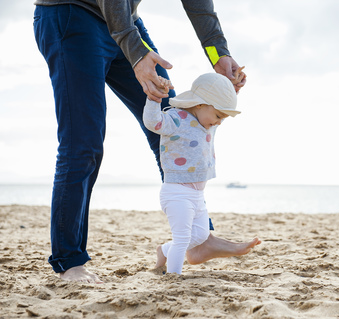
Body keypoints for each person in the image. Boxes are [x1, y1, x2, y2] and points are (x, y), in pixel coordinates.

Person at [33, 0, 258, 283]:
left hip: (126, 22)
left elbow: (198, 4)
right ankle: (70, 260)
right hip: (73, 14)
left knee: (175, 123)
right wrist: (136, 52)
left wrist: (218, 54)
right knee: (83, 144)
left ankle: (198, 239)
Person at [143, 73, 251, 274]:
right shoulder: (176, 119)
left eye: (222, 117)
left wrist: (231, 90)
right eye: (218, 116)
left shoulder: (208, 124)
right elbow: (152, 122)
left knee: (200, 235)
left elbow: (219, 105)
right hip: (176, 192)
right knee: (182, 238)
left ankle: (164, 250)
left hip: (197, 195)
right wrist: (154, 98)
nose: (219, 122)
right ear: (200, 104)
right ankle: (174, 276)